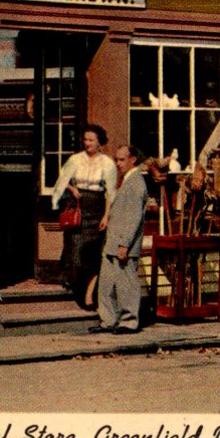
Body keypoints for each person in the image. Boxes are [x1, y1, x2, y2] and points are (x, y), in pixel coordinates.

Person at [51, 124, 117, 310]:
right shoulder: (75, 159)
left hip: (97, 210)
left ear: (99, 142)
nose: (87, 143)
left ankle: (88, 295)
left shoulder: (107, 163)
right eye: (85, 139)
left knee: (93, 256)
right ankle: (75, 286)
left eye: (91, 140)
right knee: (75, 253)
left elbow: (110, 193)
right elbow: (61, 181)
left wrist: (106, 216)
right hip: (78, 209)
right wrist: (72, 189)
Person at [95, 145, 148, 334]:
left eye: (121, 160)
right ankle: (108, 320)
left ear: (132, 159)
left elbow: (133, 218)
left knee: (126, 284)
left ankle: (129, 321)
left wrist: (124, 244)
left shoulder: (135, 183)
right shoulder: (125, 181)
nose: (118, 164)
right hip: (112, 242)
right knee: (106, 284)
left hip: (123, 244)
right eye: (116, 160)